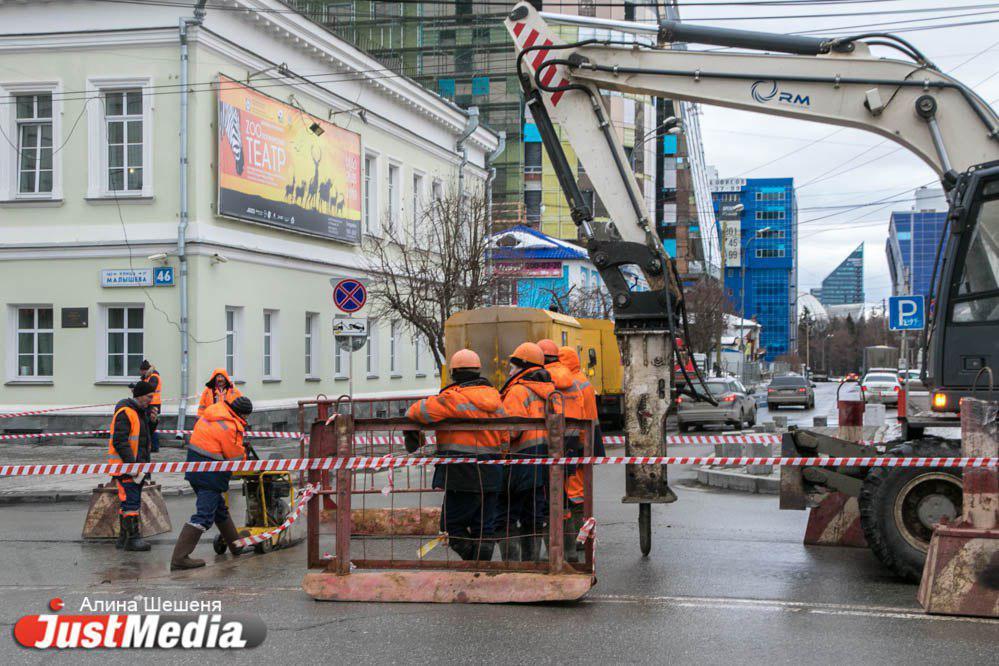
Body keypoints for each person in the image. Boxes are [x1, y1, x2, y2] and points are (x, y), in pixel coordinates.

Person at [405, 350, 509, 561]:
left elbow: (416, 411)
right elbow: (506, 439)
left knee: (451, 526)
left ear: (453, 373)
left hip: (462, 474)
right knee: (484, 528)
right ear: (479, 372)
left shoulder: (452, 399)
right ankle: (481, 573)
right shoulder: (497, 400)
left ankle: (473, 565)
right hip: (492, 472)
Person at [171, 396, 253, 571]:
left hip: (196, 469)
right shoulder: (230, 425)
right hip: (211, 475)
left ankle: (236, 545)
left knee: (219, 511)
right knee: (205, 515)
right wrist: (246, 456)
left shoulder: (213, 413)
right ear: (243, 414)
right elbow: (234, 456)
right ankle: (180, 558)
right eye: (247, 417)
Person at [498, 342, 556, 562]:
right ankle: (531, 564)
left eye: (513, 368)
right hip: (543, 462)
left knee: (508, 516)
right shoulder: (551, 392)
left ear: (523, 367)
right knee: (534, 514)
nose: (510, 372)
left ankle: (511, 567)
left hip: (519, 461)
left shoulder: (518, 391)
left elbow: (511, 431)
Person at [558, 346, 607, 562]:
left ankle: (576, 540)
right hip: (588, 442)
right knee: (580, 492)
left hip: (577, 444)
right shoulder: (582, 379)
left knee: (574, 494)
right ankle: (580, 536)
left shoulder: (571, 383)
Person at [108, 381, 156, 552]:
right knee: (131, 501)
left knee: (127, 500)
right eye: (149, 397)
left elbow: (144, 438)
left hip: (133, 466)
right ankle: (133, 539)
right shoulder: (126, 412)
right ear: (140, 395)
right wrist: (132, 464)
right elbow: (120, 441)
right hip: (127, 467)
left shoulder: (138, 412)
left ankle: (124, 538)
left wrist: (152, 422)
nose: (151, 400)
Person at [139, 360, 162, 453]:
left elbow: (149, 388)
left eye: (141, 371)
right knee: (148, 425)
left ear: (145, 370)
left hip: (153, 405)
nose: (140, 372)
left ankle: (154, 446)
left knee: (151, 426)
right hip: (149, 404)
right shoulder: (149, 377)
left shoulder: (154, 377)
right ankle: (151, 446)